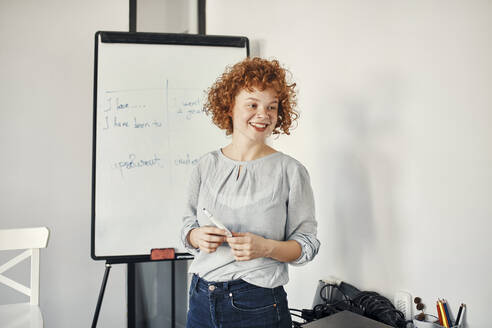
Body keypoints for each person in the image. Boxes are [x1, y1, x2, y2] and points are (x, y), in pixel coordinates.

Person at [181, 57, 320, 328]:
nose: (263, 114)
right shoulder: (205, 166)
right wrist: (195, 236)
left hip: (258, 303)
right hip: (200, 298)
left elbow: (307, 245)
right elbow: (186, 227)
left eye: (272, 106)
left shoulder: (290, 171)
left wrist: (265, 247)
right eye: (252, 105)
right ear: (229, 107)